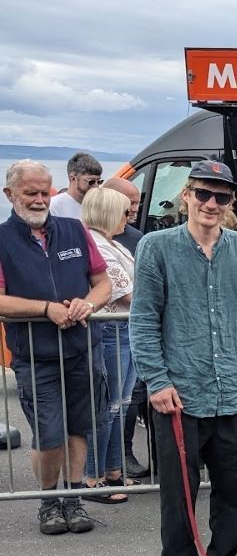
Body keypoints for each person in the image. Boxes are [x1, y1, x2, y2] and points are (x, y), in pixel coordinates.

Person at [129, 160, 237, 556]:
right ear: (187, 194)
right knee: (179, 491)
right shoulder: (156, 247)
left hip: (232, 391)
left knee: (233, 488)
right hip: (179, 395)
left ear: (230, 203)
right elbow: (143, 320)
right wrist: (156, 381)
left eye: (221, 197)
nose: (211, 203)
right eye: (203, 194)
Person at [0, 159, 110, 536]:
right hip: (35, 356)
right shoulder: (2, 239)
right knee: (49, 434)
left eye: (44, 192)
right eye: (30, 193)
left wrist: (88, 303)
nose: (39, 199)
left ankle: (74, 498)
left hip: (82, 349)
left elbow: (102, 283)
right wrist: (45, 310)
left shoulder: (74, 229)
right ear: (10, 194)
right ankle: (49, 502)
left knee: (80, 428)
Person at [80, 188, 137, 505]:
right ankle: (93, 476)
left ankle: (113, 469)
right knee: (108, 405)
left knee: (122, 404)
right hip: (112, 327)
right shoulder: (98, 245)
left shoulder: (111, 243)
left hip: (124, 327)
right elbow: (125, 292)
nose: (128, 217)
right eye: (123, 212)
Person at [104, 177, 152, 480]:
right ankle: (118, 456)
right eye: (129, 204)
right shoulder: (96, 238)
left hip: (140, 327)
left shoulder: (136, 237)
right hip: (114, 330)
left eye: (136, 203)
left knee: (138, 395)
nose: (134, 210)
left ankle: (150, 457)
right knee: (121, 399)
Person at [49, 152, 102, 221]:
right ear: (73, 178)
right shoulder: (54, 207)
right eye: (91, 181)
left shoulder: (100, 207)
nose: (96, 186)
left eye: (99, 181)